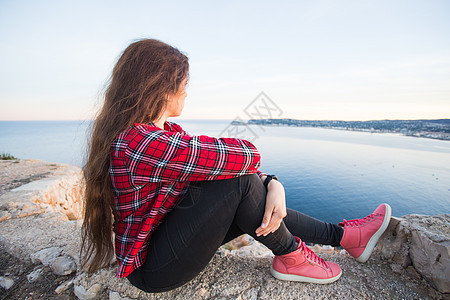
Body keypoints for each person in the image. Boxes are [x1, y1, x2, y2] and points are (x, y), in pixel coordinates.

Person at [81, 38, 392, 292]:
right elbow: (244, 156)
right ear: (163, 89)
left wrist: (271, 182)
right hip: (154, 269)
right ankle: (292, 256)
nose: (187, 93)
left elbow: (224, 166)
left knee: (244, 185)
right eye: (185, 85)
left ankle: (347, 238)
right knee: (240, 183)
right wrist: (264, 180)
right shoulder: (139, 143)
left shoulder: (164, 135)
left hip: (170, 237)